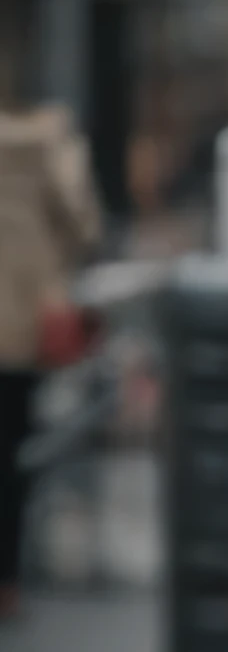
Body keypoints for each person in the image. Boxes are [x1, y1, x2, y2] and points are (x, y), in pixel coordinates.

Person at [0, 102, 102, 619]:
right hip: (18, 331)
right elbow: (84, 227)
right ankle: (8, 581)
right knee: (12, 458)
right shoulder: (43, 151)